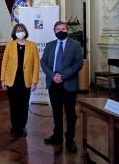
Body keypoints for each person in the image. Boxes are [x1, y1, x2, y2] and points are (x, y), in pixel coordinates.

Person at [41, 21, 83, 153]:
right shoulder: (49, 45)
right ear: (54, 31)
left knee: (70, 113)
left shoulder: (75, 45)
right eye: (58, 29)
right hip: (53, 84)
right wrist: (53, 76)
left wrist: (62, 76)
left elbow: (78, 64)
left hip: (69, 84)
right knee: (56, 111)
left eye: (63, 29)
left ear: (67, 30)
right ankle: (57, 136)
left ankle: (70, 139)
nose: (60, 31)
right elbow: (43, 62)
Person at [1, 23, 39, 137]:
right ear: (14, 32)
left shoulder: (32, 45)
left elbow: (36, 64)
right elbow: (4, 62)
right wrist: (2, 79)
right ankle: (14, 127)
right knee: (14, 105)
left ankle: (22, 127)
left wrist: (34, 81)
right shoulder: (10, 45)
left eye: (21, 29)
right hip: (12, 80)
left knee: (23, 105)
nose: (19, 31)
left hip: (26, 81)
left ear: (25, 31)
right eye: (17, 30)